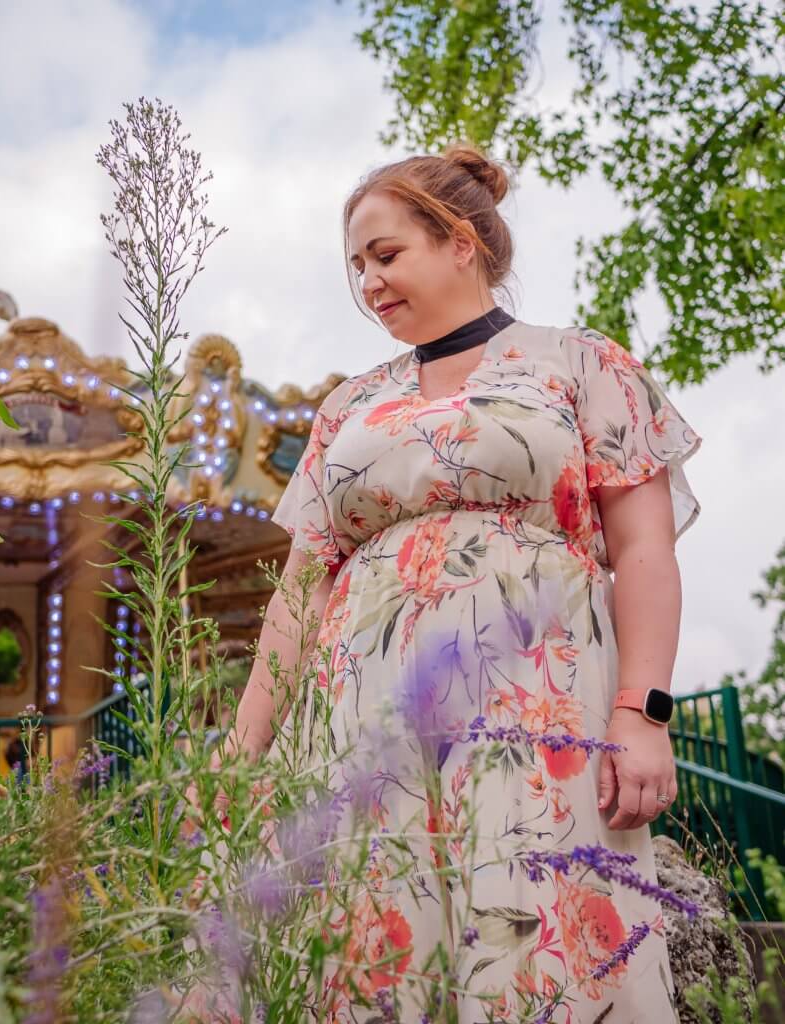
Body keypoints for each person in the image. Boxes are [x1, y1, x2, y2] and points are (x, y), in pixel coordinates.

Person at [201, 143, 702, 1021]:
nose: (369, 283)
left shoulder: (580, 363)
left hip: (538, 701)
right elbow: (298, 589)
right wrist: (243, 753)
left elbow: (647, 552)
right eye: (357, 266)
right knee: (366, 928)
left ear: (460, 241)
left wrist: (642, 712)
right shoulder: (346, 406)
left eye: (386, 255)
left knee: (541, 922)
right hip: (357, 713)